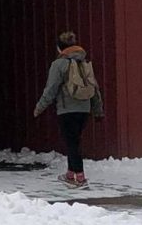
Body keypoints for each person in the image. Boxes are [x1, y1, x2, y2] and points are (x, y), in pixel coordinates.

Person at [34, 28, 103, 186]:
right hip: (84, 109)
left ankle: (79, 177)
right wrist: (98, 110)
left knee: (72, 143)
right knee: (75, 141)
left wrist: (39, 107)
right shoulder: (84, 62)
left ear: (60, 48)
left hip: (67, 109)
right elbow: (95, 88)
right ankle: (70, 173)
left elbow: (50, 89)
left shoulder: (58, 64)